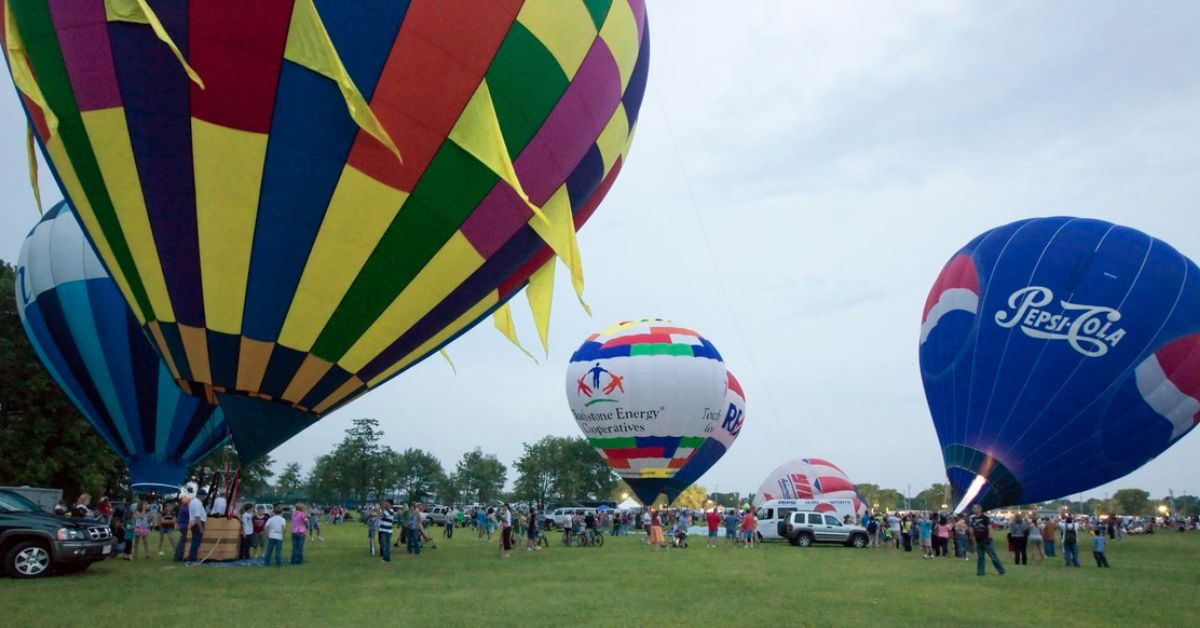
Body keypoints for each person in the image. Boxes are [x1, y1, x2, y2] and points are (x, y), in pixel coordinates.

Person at [968, 504, 1005, 576]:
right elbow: (972, 529)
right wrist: (971, 537)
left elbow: (989, 528)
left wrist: (989, 537)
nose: (974, 510)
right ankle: (980, 572)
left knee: (993, 557)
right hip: (978, 541)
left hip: (986, 541)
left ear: (980, 509)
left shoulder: (985, 518)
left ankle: (1001, 570)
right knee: (980, 557)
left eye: (976, 508)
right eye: (973, 508)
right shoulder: (973, 519)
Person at [186, 490, 207, 563]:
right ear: (201, 496)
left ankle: (192, 558)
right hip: (198, 523)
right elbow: (197, 516)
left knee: (195, 541)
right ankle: (192, 559)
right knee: (196, 542)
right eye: (205, 496)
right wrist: (201, 527)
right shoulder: (198, 503)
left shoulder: (192, 501)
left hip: (193, 523)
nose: (205, 497)